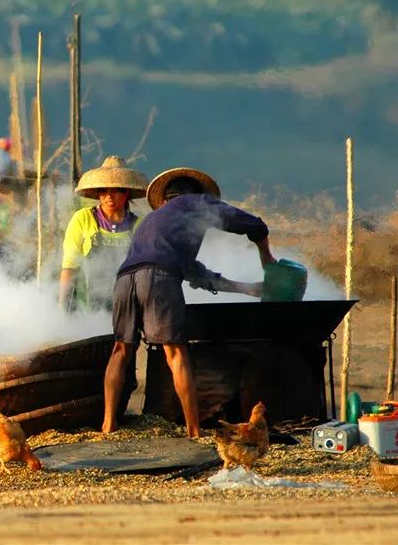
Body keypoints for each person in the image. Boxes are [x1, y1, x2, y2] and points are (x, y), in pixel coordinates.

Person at [102, 167, 276, 437]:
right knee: (175, 352)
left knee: (121, 351)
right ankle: (194, 430)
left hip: (124, 279)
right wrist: (267, 257)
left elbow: (196, 273)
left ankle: (108, 425)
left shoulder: (152, 222)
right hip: (158, 278)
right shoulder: (198, 203)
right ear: (196, 195)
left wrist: (247, 289)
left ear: (166, 199)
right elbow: (252, 225)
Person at [59, 156, 148, 418]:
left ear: (127, 193)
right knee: (90, 361)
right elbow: (69, 266)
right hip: (90, 303)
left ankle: (118, 412)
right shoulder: (83, 220)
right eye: (104, 191)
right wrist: (61, 306)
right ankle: (90, 413)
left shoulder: (138, 225)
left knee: (125, 360)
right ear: (97, 194)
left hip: (127, 304)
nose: (110, 197)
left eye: (117, 190)